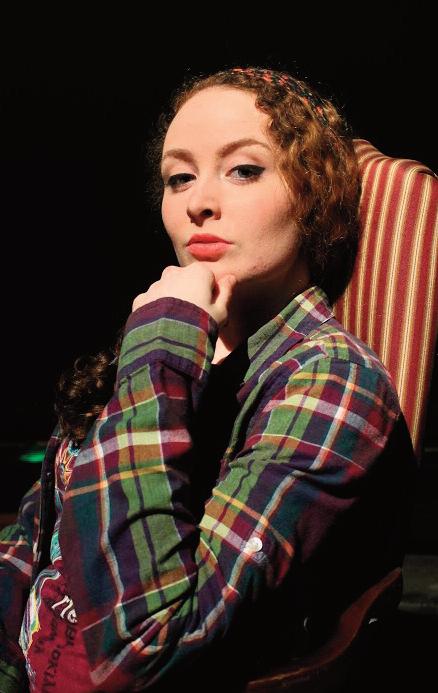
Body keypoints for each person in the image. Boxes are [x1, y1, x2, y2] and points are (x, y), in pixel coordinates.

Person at [0, 66, 417, 692]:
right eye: (180, 178)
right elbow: (36, 543)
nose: (198, 202)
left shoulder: (332, 378)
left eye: (243, 170)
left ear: (315, 195)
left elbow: (145, 647)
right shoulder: (165, 338)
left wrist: (159, 355)